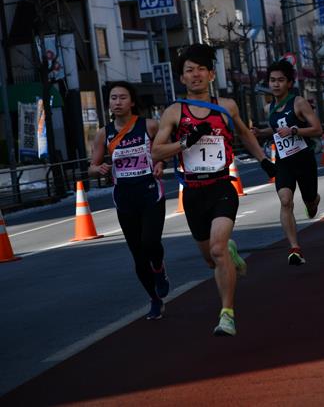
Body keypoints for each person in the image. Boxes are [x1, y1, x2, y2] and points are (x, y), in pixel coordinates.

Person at [151, 43, 276, 337]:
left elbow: (245, 134)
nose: (195, 75)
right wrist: (185, 142)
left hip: (221, 186)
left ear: (211, 74)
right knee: (211, 259)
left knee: (218, 249)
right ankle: (229, 255)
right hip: (192, 193)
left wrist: (265, 163)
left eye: (200, 70)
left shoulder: (227, 106)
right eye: (189, 71)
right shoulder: (174, 111)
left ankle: (227, 314)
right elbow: (156, 152)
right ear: (181, 78)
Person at [89, 81, 169, 320]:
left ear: (132, 101)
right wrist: (99, 168)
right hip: (124, 197)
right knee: (137, 253)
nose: (117, 102)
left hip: (150, 192)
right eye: (113, 98)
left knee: (150, 240)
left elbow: (164, 150)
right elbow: (92, 166)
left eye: (122, 97)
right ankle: (154, 299)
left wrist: (160, 163)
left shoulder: (150, 126)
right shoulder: (104, 133)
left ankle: (159, 268)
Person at [252, 59, 323, 266]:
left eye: (280, 80)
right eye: (272, 80)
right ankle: (294, 248)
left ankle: (313, 201)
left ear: (289, 83)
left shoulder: (299, 102)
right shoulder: (270, 107)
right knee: (285, 200)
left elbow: (318, 129)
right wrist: (260, 132)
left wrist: (294, 130)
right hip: (284, 161)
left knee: (309, 200)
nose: (275, 84)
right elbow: (276, 131)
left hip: (304, 159)